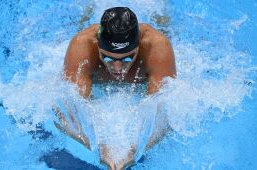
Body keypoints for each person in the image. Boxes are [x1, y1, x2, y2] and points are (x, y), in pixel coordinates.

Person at [54, 7, 176, 170]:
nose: (118, 67)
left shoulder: (157, 47)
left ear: (139, 46)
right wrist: (100, 146)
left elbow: (164, 116)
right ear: (98, 45)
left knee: (165, 27)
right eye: (107, 57)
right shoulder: (82, 47)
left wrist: (134, 150)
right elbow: (71, 112)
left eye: (127, 58)